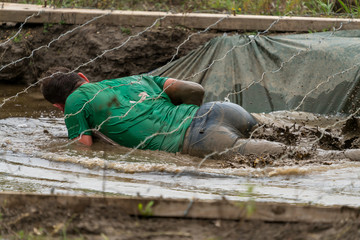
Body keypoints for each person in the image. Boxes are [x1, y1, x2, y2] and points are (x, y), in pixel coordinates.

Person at [40, 67, 360, 161]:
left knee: (306, 157)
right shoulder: (133, 80)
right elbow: (193, 90)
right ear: (84, 77)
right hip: (220, 110)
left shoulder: (72, 105)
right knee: (306, 137)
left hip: (199, 139)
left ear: (58, 105)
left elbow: (81, 148)